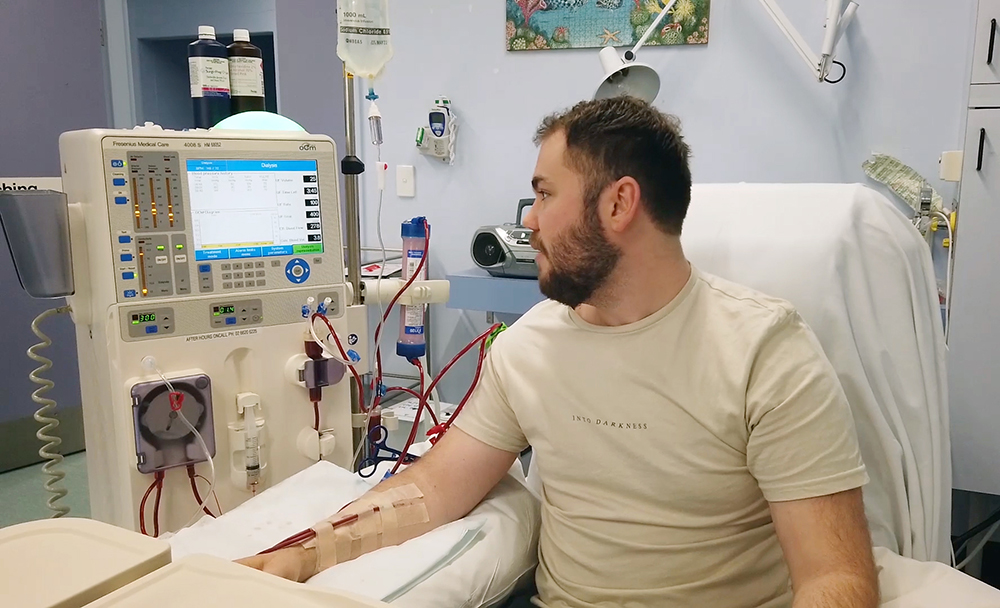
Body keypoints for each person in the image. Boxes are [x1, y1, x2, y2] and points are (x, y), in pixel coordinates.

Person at [238, 97, 879, 608]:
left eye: (544, 195)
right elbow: (433, 488)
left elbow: (834, 580)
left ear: (619, 202)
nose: (530, 222)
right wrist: (301, 554)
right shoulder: (530, 349)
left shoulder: (764, 354)